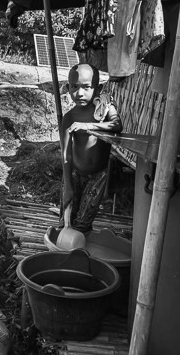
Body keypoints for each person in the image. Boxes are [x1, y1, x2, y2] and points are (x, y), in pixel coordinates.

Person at [61, 64, 122, 234]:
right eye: (74, 87)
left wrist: (88, 126)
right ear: (68, 87)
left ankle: (81, 253)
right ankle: (62, 253)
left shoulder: (105, 108)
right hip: (74, 174)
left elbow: (117, 125)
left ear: (98, 87)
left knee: (83, 222)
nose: (79, 93)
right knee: (67, 220)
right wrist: (67, 186)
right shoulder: (70, 117)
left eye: (86, 87)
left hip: (98, 176)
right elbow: (66, 152)